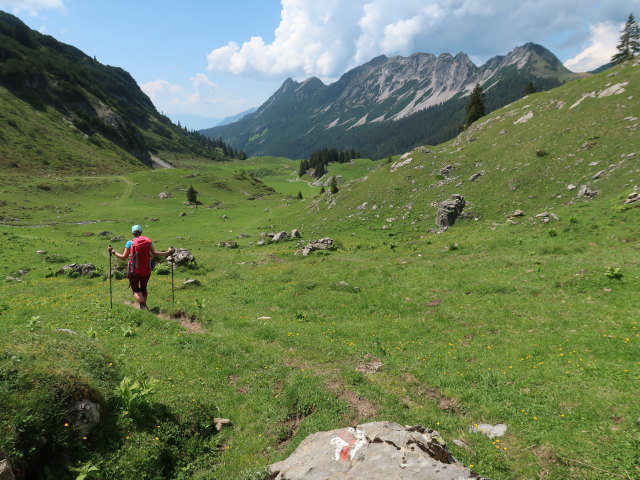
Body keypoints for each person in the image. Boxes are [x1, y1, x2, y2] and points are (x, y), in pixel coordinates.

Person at [108, 225, 174, 310]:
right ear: (141, 232)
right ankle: (144, 306)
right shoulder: (148, 241)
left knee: (135, 290)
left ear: (132, 233)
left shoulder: (130, 242)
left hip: (133, 270)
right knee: (143, 288)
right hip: (146, 270)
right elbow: (155, 253)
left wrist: (113, 252)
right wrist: (168, 252)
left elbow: (124, 257)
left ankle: (142, 305)